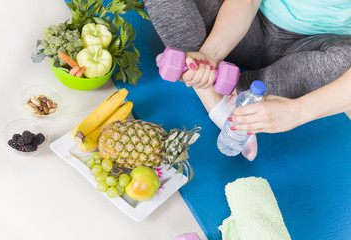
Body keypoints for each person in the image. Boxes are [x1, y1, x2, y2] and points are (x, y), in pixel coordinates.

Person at [144, 0, 351, 160]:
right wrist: (209, 55)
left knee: (345, 59)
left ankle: (205, 76)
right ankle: (211, 90)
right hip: (247, 24)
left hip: (311, 48)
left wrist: (297, 112)